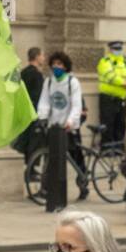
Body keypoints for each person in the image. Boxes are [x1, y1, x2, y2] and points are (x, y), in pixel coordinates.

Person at [35, 52, 91, 201]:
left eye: (59, 64)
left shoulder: (72, 82)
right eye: (54, 64)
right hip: (54, 126)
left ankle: (83, 184)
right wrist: (42, 117)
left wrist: (70, 122)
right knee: (50, 158)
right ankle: (46, 188)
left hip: (69, 127)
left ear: (65, 66)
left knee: (76, 157)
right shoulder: (48, 82)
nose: (56, 67)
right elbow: (44, 101)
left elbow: (76, 105)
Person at [96, 41, 126, 147]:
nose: (117, 51)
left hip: (122, 98)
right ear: (110, 49)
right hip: (108, 98)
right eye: (115, 49)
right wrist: (124, 83)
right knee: (107, 123)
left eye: (119, 49)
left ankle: (118, 148)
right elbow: (110, 75)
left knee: (121, 123)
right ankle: (106, 149)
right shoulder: (105, 61)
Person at [16, 47, 45, 155]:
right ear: (37, 57)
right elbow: (39, 96)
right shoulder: (37, 75)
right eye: (42, 55)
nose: (43, 58)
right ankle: (31, 168)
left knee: (26, 141)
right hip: (34, 113)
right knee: (35, 143)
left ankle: (29, 167)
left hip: (24, 112)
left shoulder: (23, 72)